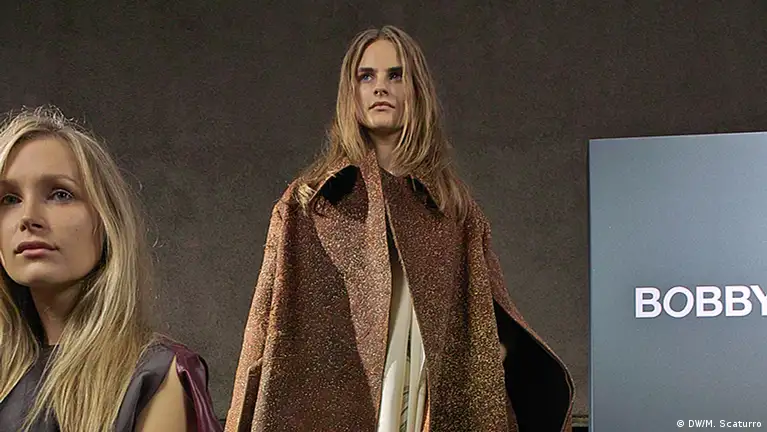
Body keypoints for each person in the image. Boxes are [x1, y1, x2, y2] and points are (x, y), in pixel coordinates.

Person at [226, 25, 573, 432]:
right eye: (366, 76)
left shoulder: (452, 210)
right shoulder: (310, 206)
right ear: (350, 92)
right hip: (333, 406)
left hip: (425, 402)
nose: (380, 88)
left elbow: (485, 321)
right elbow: (263, 326)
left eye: (395, 75)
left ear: (416, 90)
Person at [0, 107, 222, 432]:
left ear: (106, 222)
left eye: (60, 194)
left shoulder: (154, 377)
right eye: (9, 199)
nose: (28, 217)